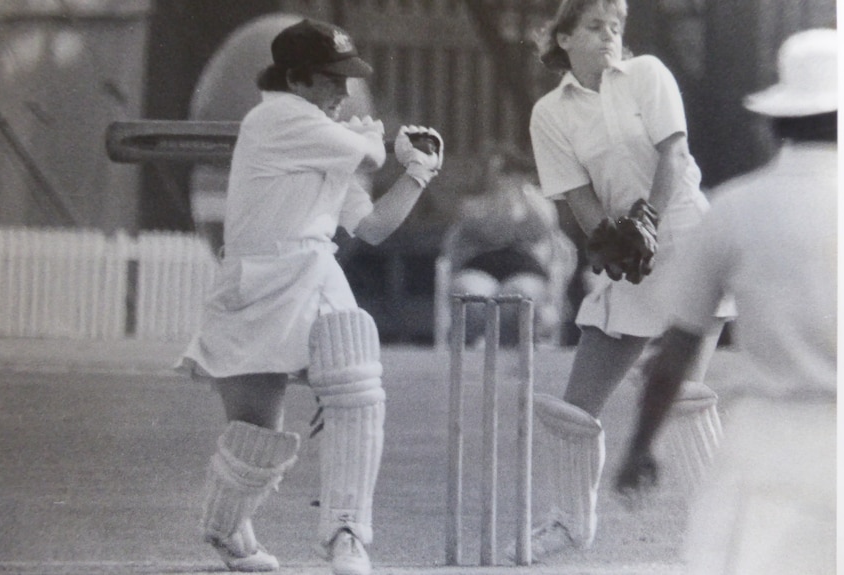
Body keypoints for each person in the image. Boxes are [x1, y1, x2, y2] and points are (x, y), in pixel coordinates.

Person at [176, 18, 443, 575]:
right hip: (255, 284)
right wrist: (378, 141)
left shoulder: (324, 133)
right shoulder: (276, 116)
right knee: (255, 439)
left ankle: (347, 533)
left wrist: (417, 173)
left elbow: (369, 228)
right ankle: (226, 527)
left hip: (313, 270)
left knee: (356, 377)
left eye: (348, 82)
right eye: (332, 82)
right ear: (296, 79)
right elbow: (369, 157)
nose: (344, 95)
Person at [615, 28, 837, 575]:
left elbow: (679, 345)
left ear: (776, 123)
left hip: (766, 441)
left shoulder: (736, 208)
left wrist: (641, 445)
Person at [524, 0, 727, 560]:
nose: (609, 35)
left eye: (617, 25)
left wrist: (647, 221)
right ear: (562, 38)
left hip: (687, 242)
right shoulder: (550, 112)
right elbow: (577, 195)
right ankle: (569, 523)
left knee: (684, 397)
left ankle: (722, 536)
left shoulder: (646, 74)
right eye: (594, 26)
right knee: (572, 412)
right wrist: (608, 240)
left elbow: (675, 154)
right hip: (634, 255)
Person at [440, 150, 573, 345]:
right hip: (480, 267)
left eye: (508, 172)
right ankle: (475, 352)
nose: (505, 179)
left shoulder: (536, 201)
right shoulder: (473, 203)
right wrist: (500, 201)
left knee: (521, 293)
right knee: (470, 292)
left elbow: (547, 224)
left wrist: (525, 193)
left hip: (525, 269)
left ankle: (516, 352)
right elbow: (486, 228)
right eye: (500, 173)